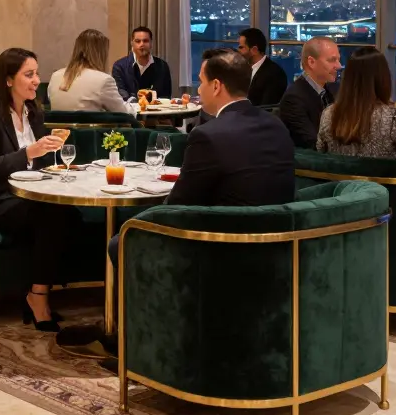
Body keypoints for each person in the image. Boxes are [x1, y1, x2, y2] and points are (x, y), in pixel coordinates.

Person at [108, 49, 294, 263]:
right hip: (280, 246)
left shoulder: (208, 135)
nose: (199, 89)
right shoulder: (277, 125)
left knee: (121, 241)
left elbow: (178, 206)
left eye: (201, 82)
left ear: (216, 86)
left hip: (222, 249)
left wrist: (137, 221)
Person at [0, 48, 83, 332]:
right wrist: (30, 151)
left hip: (26, 196)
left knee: (71, 215)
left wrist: (53, 159)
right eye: (29, 74)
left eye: (37, 73)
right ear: (8, 80)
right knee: (51, 217)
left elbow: (36, 166)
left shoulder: (34, 112)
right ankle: (37, 297)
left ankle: (39, 289)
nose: (37, 80)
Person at [316, 47, 396, 160]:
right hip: (383, 182)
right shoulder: (394, 116)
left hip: (339, 181)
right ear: (383, 78)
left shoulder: (328, 114)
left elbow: (320, 155)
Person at [278, 37, 341, 149]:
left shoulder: (334, 89)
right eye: (332, 60)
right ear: (311, 62)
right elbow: (313, 144)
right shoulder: (294, 99)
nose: (339, 66)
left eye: (338, 60)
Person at [48, 29, 131, 113]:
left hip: (57, 126)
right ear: (101, 53)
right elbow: (122, 112)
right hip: (91, 126)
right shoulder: (103, 80)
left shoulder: (55, 76)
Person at [111, 26, 173, 101]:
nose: (142, 44)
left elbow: (166, 96)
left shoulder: (163, 66)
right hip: (129, 111)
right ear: (132, 44)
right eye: (137, 41)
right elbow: (120, 93)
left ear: (151, 43)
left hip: (156, 111)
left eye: (145, 41)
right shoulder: (119, 66)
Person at [237, 27, 288, 107]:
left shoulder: (275, 74)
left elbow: (267, 109)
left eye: (241, 47)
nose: (238, 51)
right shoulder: (242, 69)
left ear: (254, 50)